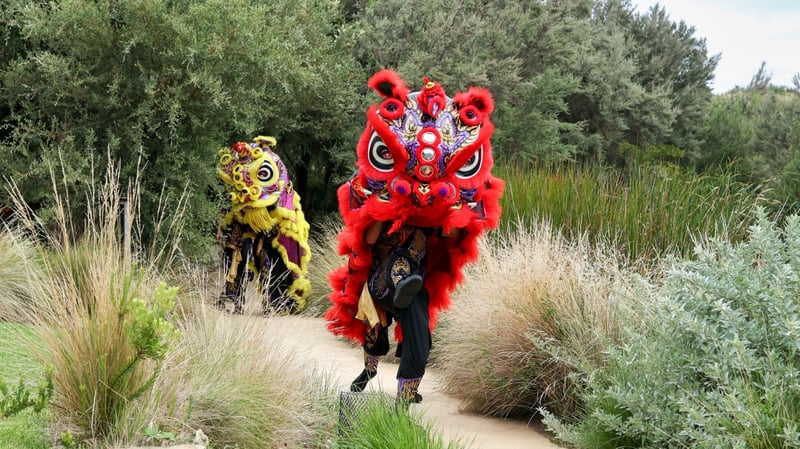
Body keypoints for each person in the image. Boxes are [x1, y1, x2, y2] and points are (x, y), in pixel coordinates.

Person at [325, 70, 504, 404]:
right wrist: (385, 210)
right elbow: (369, 238)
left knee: (420, 341)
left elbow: (452, 233)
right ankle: (367, 373)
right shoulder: (383, 202)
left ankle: (405, 400)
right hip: (381, 280)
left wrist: (451, 209)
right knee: (377, 332)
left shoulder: (431, 222)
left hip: (416, 286)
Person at [215, 136, 312, 315]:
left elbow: (280, 195)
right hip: (242, 217)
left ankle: (275, 302)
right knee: (235, 253)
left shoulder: (273, 165)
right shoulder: (237, 166)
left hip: (271, 219)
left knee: (271, 256)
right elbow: (229, 199)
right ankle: (233, 297)